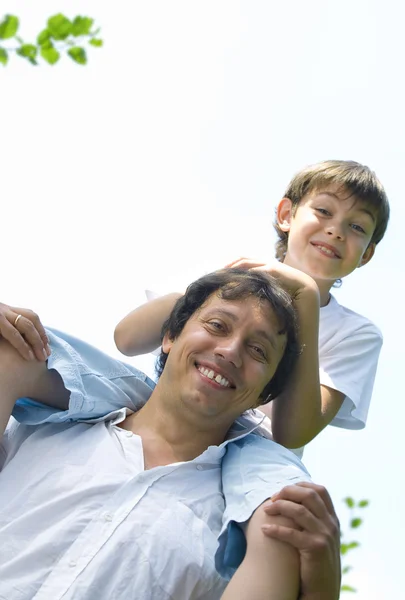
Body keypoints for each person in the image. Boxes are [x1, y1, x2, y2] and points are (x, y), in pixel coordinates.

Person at [0, 269, 341, 599]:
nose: (230, 351)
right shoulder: (41, 423)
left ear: (265, 395)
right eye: (217, 325)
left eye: (258, 351)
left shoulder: (249, 527)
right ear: (170, 336)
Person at [112, 160, 390, 451]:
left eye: (357, 226)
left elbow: (292, 434)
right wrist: (213, 285)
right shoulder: (231, 279)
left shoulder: (355, 333)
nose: (336, 230)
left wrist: (304, 295)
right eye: (323, 211)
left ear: (366, 254)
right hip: (171, 429)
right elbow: (127, 339)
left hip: (250, 456)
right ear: (286, 215)